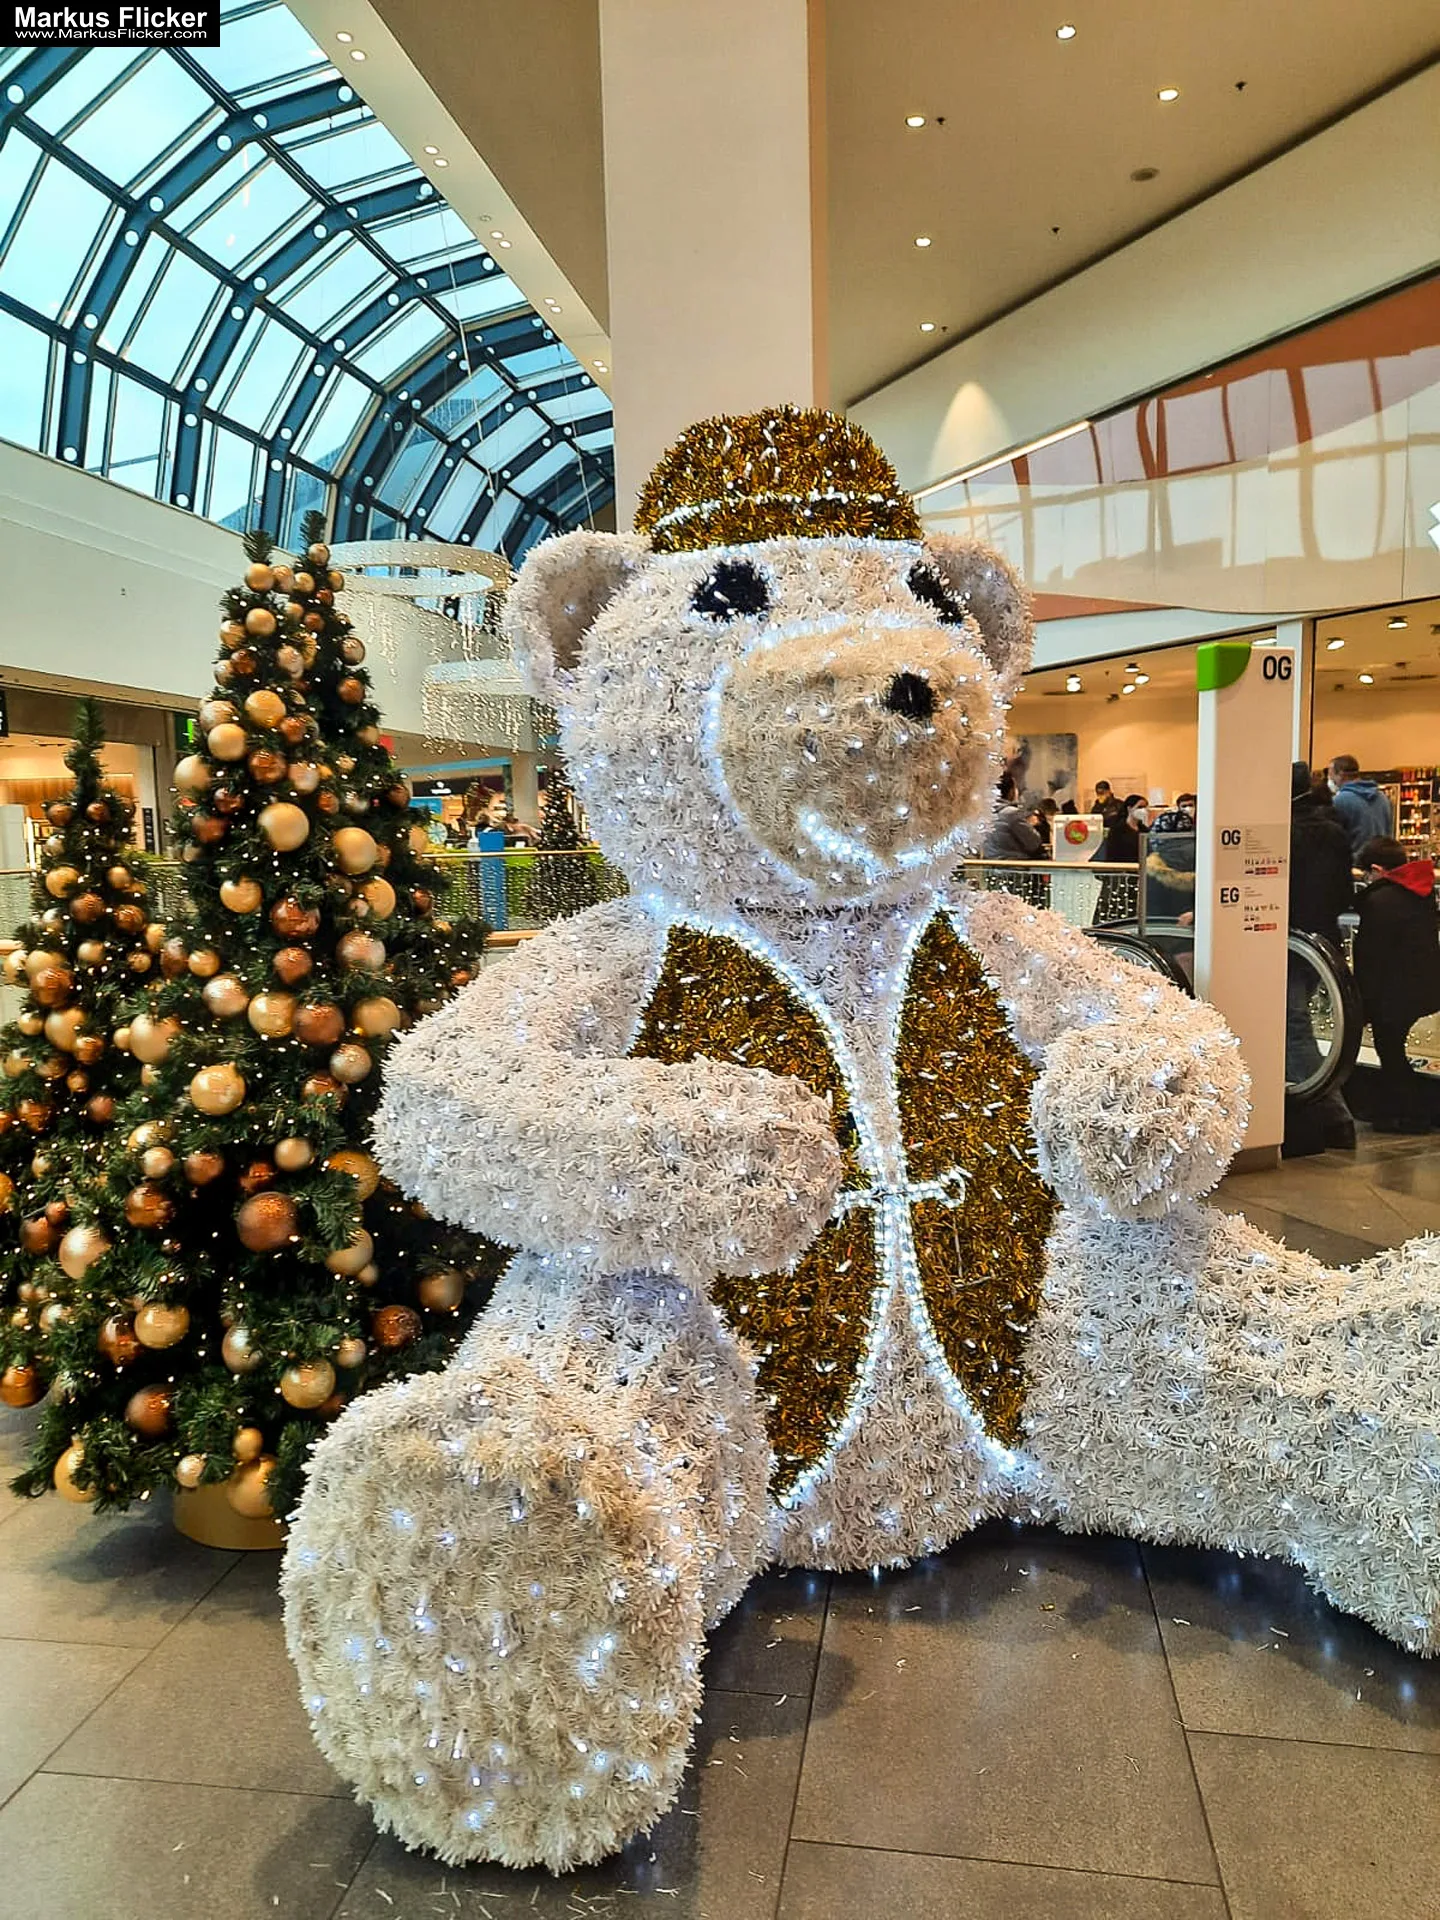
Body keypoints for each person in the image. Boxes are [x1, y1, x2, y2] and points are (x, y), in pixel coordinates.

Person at [1287, 761, 1356, 1147]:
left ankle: (1333, 1117)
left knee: (1293, 1026)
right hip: (1322, 942)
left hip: (1288, 941)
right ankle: (1316, 1113)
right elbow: (1343, 891)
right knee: (1294, 1024)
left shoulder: (1285, 832)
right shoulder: (1333, 829)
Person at [1352, 835, 1440, 1132]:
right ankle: (1403, 1110)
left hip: (1392, 991)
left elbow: (1371, 956)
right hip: (1420, 985)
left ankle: (1410, 1114)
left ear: (1377, 869)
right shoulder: (1420, 893)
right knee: (1392, 1048)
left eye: (1367, 874)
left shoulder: (1380, 902)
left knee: (1389, 1049)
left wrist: (1364, 1001)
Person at [1328, 754, 1392, 859]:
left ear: (1340, 775)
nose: (1330, 779)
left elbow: (1334, 840)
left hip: (1355, 862)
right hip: (1382, 861)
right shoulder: (1382, 797)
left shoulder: (1340, 801)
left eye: (1331, 775)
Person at [981, 778, 1043, 859]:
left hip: (989, 863)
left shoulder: (984, 813)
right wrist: (1032, 826)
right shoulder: (1012, 813)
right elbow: (1034, 843)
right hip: (1013, 863)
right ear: (1011, 791)